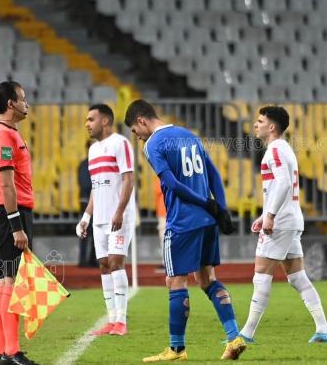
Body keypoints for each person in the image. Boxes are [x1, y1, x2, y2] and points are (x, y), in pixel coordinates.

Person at [124, 99, 246, 362]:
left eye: (135, 131)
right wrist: (219, 208)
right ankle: (234, 337)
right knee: (207, 279)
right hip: (207, 221)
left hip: (182, 221)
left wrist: (206, 203)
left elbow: (171, 183)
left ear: (142, 121)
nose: (137, 137)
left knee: (175, 281)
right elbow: (213, 172)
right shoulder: (188, 135)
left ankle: (177, 349)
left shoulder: (153, 144)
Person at [238, 106, 327, 344]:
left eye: (260, 121)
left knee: (261, 275)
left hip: (280, 222)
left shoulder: (276, 150)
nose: (255, 124)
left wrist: (270, 215)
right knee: (297, 277)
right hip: (288, 218)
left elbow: (282, 184)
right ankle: (324, 330)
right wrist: (264, 214)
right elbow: (280, 187)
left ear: (272, 127)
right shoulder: (282, 149)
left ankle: (246, 334)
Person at [0, 81, 38, 365]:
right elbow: (7, 185)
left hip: (5, 215)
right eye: (23, 98)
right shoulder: (5, 137)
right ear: (11, 104)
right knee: (12, 281)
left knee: (6, 280)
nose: (26, 103)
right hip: (10, 216)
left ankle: (1, 352)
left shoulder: (6, 133)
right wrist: (17, 226)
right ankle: (11, 352)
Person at [75, 104, 136, 336]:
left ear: (105, 121)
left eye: (91, 119)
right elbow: (95, 187)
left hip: (118, 216)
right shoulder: (92, 150)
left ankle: (121, 321)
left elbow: (129, 180)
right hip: (99, 217)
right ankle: (111, 320)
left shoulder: (121, 143)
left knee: (115, 263)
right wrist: (86, 217)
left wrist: (120, 211)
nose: (87, 124)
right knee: (103, 266)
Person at [77, 141, 97, 267]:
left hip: (96, 201)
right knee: (85, 230)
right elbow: (85, 183)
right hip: (86, 201)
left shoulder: (96, 164)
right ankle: (83, 260)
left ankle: (93, 259)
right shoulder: (84, 165)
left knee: (95, 231)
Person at [154, 177, 167, 269]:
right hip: (165, 211)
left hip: (165, 211)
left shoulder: (162, 176)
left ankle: (166, 262)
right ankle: (166, 261)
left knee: (164, 238)